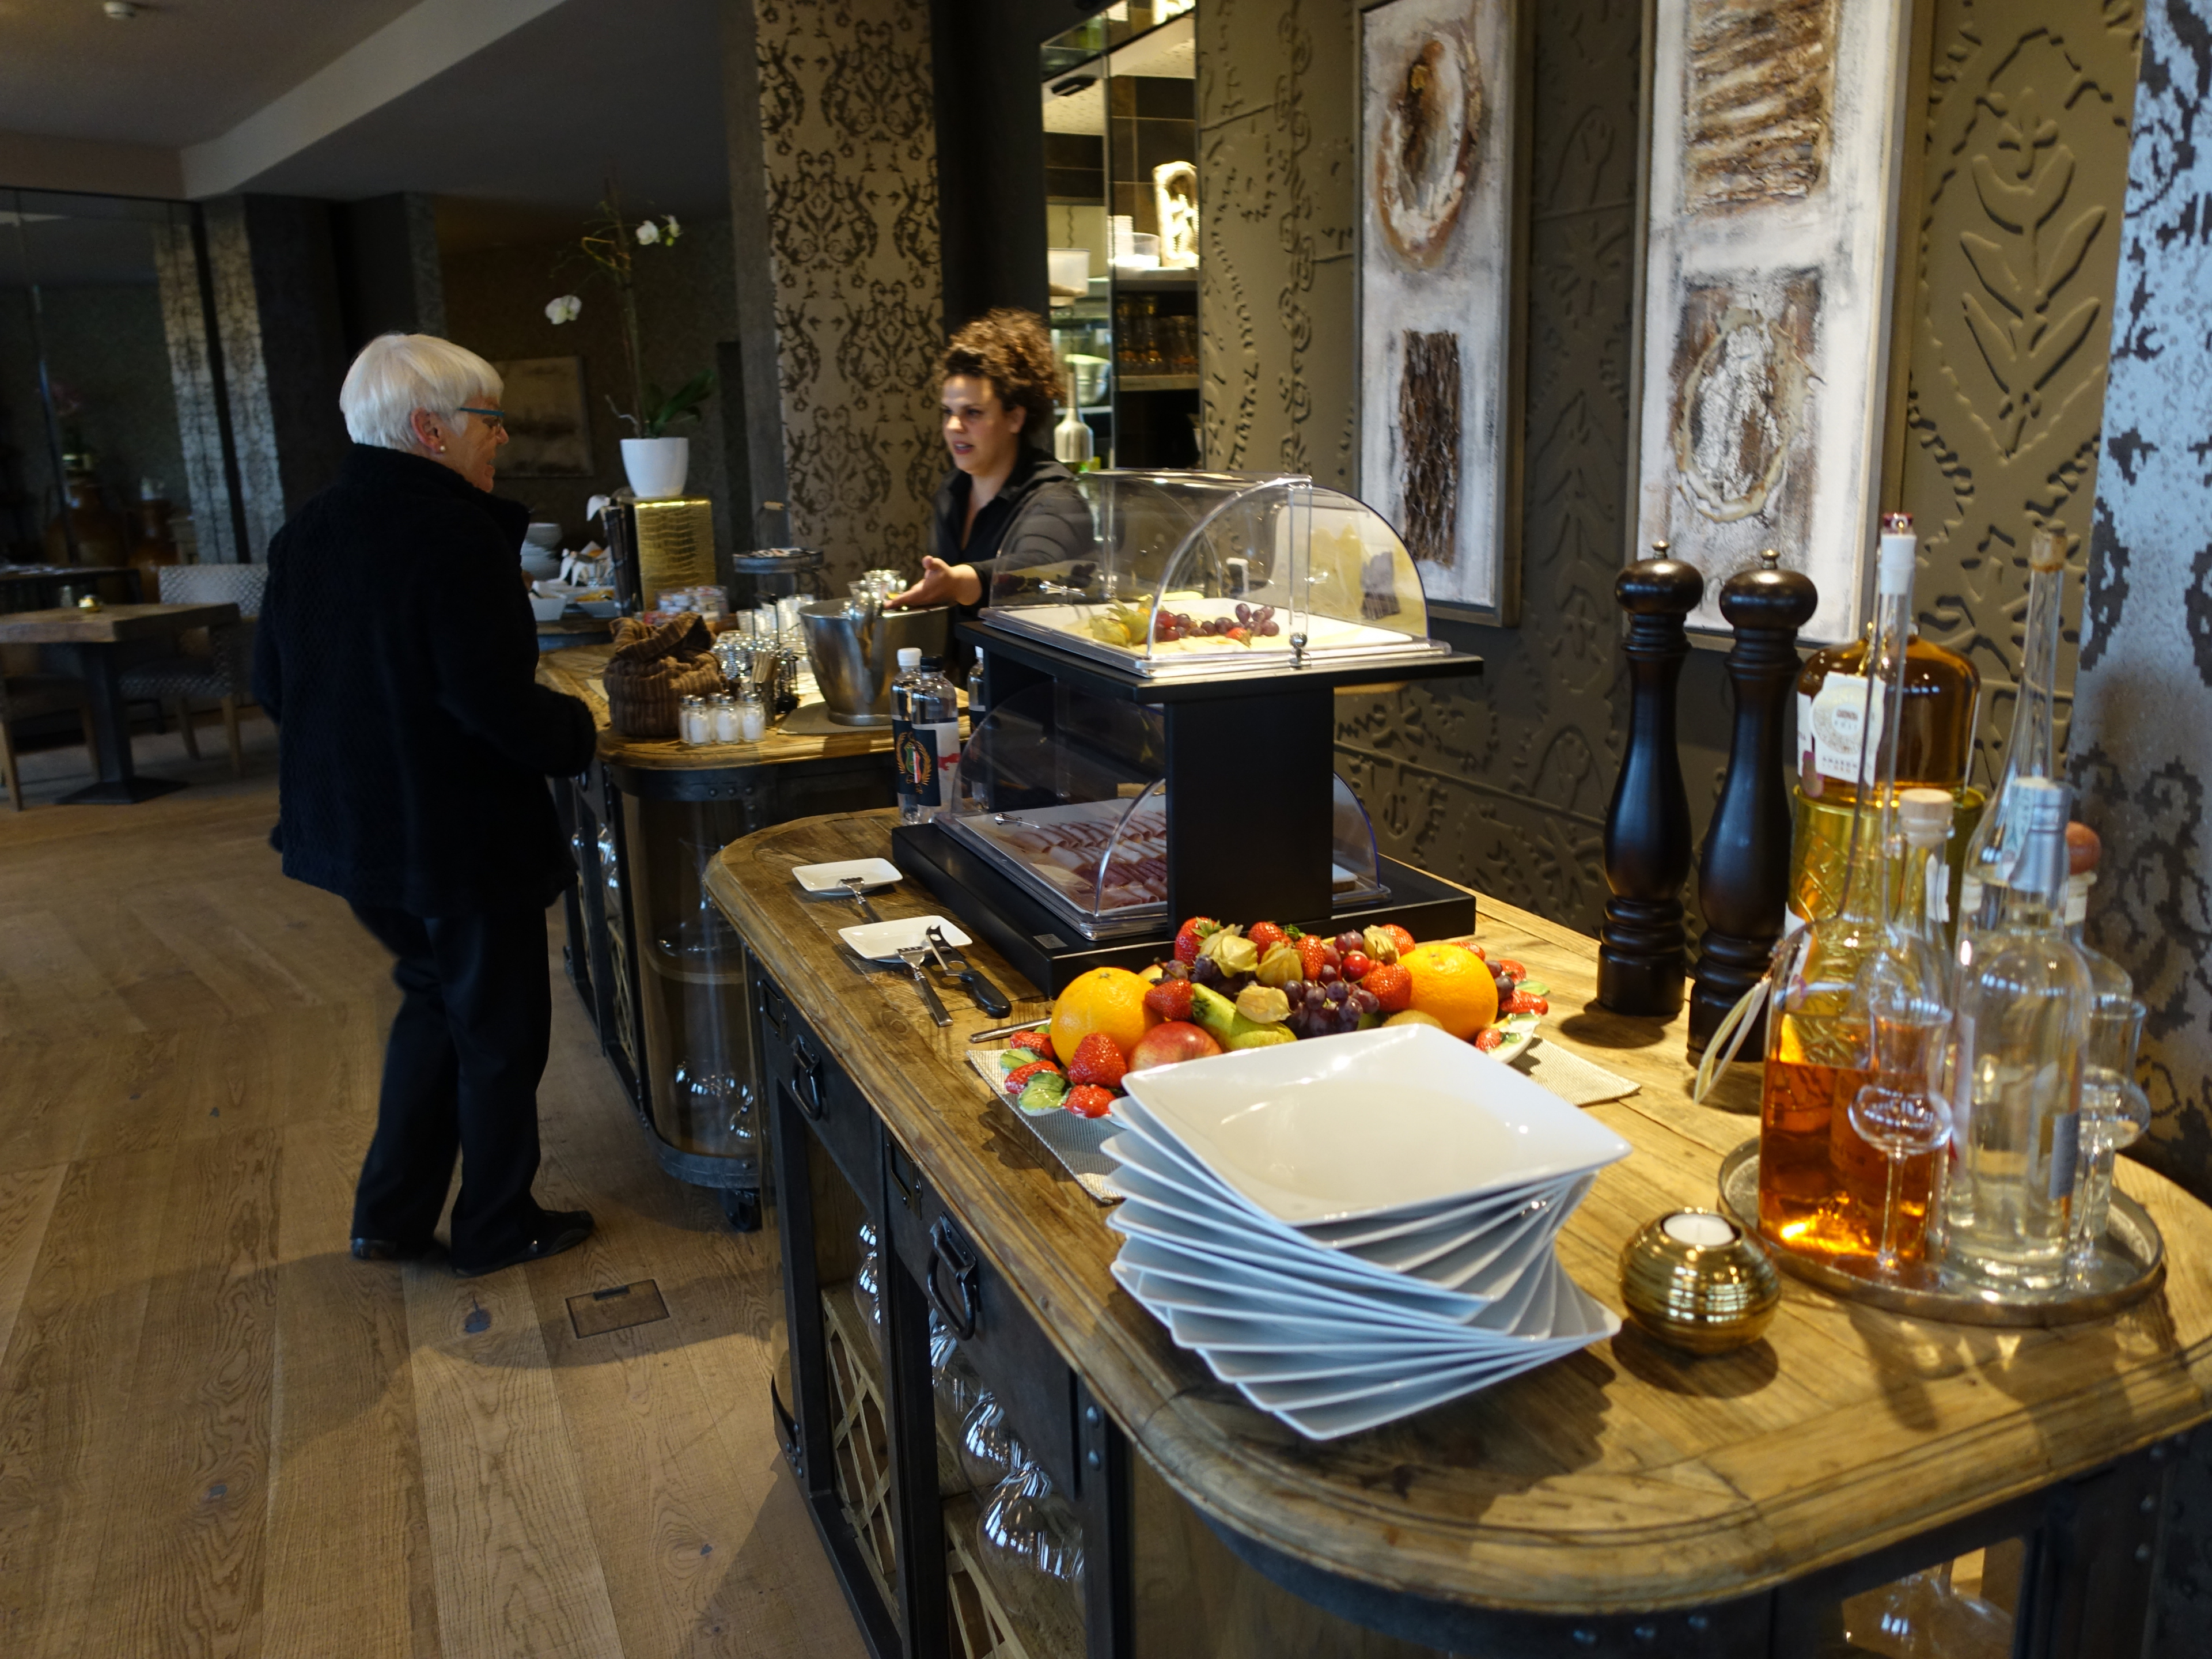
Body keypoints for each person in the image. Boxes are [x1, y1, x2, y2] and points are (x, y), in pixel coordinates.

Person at [252, 332, 599, 1278]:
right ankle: (497, 1225)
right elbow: (489, 703)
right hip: (457, 838)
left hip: (353, 836)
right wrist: (580, 731)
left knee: (434, 1000)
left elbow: (274, 684)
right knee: (499, 1035)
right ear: (428, 431)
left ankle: (391, 1215)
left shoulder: (308, 531)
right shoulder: (455, 534)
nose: (503, 439)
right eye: (490, 421)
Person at [892, 309, 1088, 612]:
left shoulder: (1055, 496)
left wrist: (959, 582)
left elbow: (1040, 568)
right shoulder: (953, 490)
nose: (954, 426)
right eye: (948, 412)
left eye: (972, 413)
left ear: (1015, 418)